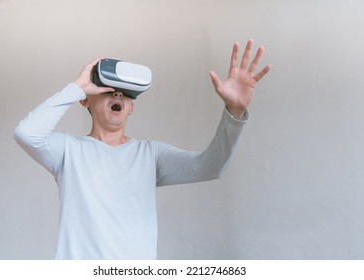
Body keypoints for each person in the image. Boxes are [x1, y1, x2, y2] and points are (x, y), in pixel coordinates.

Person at [14, 39, 271, 259]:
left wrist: (234, 111)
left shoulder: (151, 155)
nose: (118, 96)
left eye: (126, 94)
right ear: (86, 101)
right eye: (108, 90)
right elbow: (27, 134)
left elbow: (211, 166)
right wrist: (75, 88)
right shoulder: (67, 151)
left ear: (132, 107)